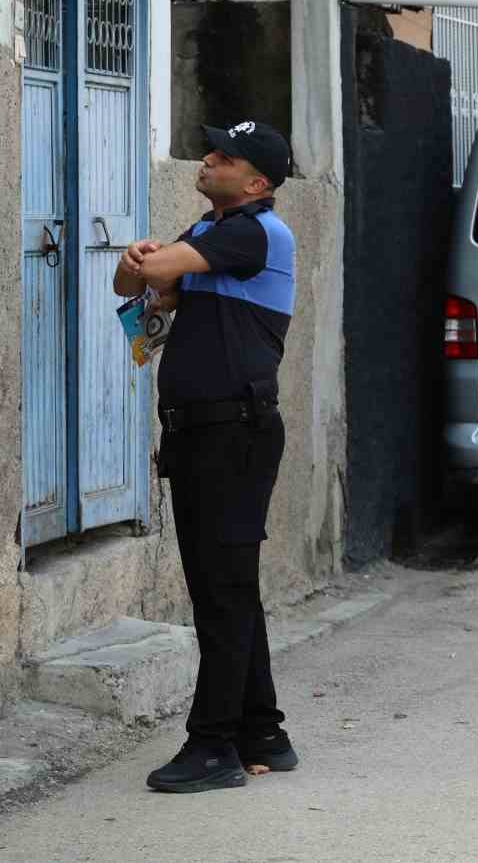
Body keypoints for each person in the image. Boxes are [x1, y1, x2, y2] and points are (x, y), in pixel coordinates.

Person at [112, 119, 299, 794]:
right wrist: (140, 262)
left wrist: (147, 260)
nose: (209, 157)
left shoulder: (252, 233)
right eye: (212, 146)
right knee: (228, 587)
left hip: (234, 434)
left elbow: (153, 269)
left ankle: (213, 742)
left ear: (256, 182)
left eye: (226, 155)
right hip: (201, 432)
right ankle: (263, 731)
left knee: (220, 591)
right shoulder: (207, 231)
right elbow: (129, 288)